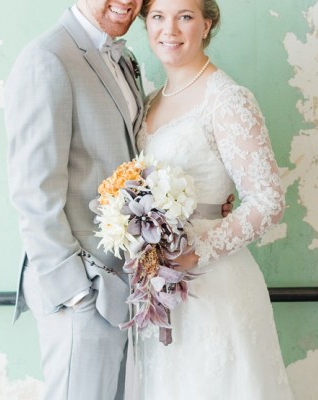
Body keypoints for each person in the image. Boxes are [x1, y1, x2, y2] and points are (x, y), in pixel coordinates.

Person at [125, 0, 295, 398]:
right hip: (160, 290)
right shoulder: (150, 100)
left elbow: (268, 200)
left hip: (213, 284)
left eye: (184, 16)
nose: (169, 29)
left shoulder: (227, 99)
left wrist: (192, 255)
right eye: (158, 17)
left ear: (206, 24)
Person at [4, 1, 144, 399]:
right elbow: (33, 191)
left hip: (125, 289)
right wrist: (77, 294)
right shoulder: (46, 58)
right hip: (83, 293)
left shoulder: (125, 58)